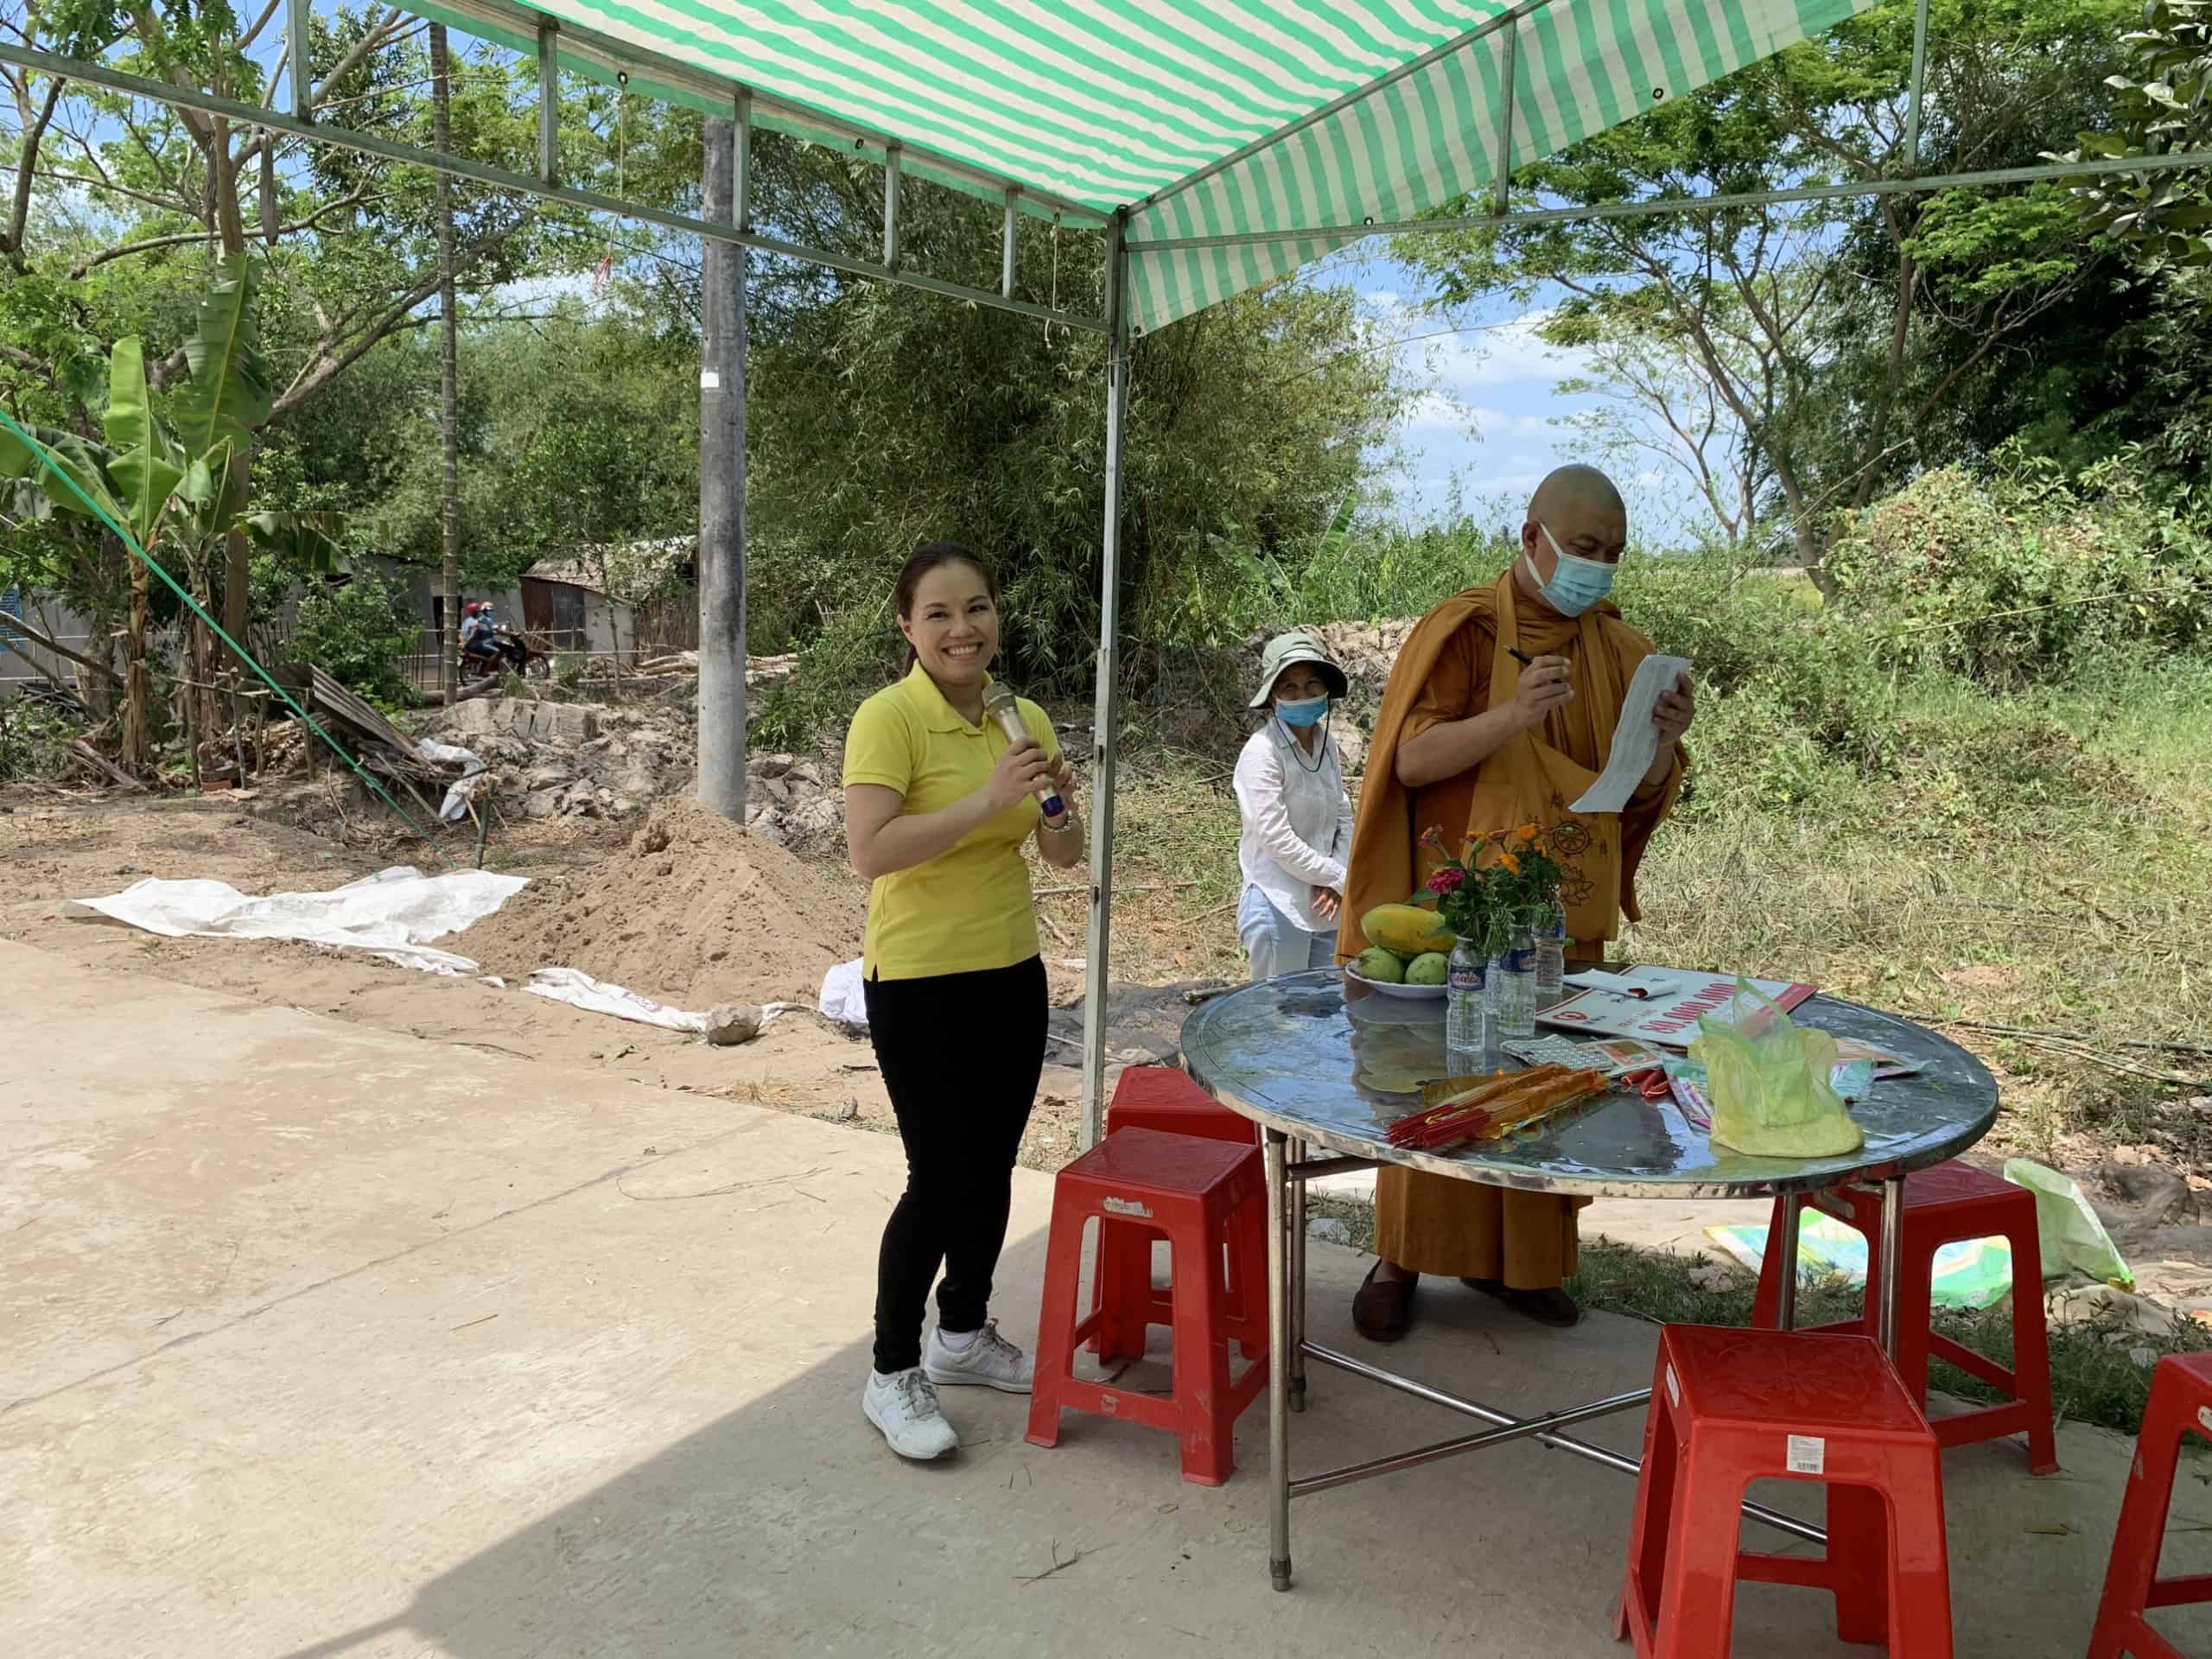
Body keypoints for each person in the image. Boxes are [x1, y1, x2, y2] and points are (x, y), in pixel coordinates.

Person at [1340, 464, 1694, 1338]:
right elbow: (1409, 762)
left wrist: (1663, 745)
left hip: (1560, 910)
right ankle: (1400, 1260)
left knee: (1551, 1089)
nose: (1598, 567)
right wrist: (1511, 716)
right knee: (1440, 1079)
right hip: (1460, 911)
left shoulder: (1624, 651)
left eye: (1613, 553)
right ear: (1531, 537)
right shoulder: (1467, 631)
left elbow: (1635, 794)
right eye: (1583, 547)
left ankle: (1520, 1268)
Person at [841, 539, 1084, 1461]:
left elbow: (1061, 855)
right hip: (919, 981)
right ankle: (892, 1369)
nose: (961, 628)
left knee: (990, 1167)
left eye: (975, 608)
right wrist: (987, 800)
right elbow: (871, 852)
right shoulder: (888, 718)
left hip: (1010, 969)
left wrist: (1057, 803)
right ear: (907, 627)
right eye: (938, 613)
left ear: (996, 617)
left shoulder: (1022, 715)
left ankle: (963, 1333)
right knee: (938, 1178)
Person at [1235, 631, 1354, 981]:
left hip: (1326, 905)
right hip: (1279, 904)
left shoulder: (1327, 745)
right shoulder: (1262, 752)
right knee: (1278, 1009)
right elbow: (1275, 837)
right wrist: (1335, 876)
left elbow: (1343, 815)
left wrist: (1337, 879)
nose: (1303, 695)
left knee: (1325, 1007)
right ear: (1273, 697)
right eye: (1289, 687)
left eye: (1312, 684)